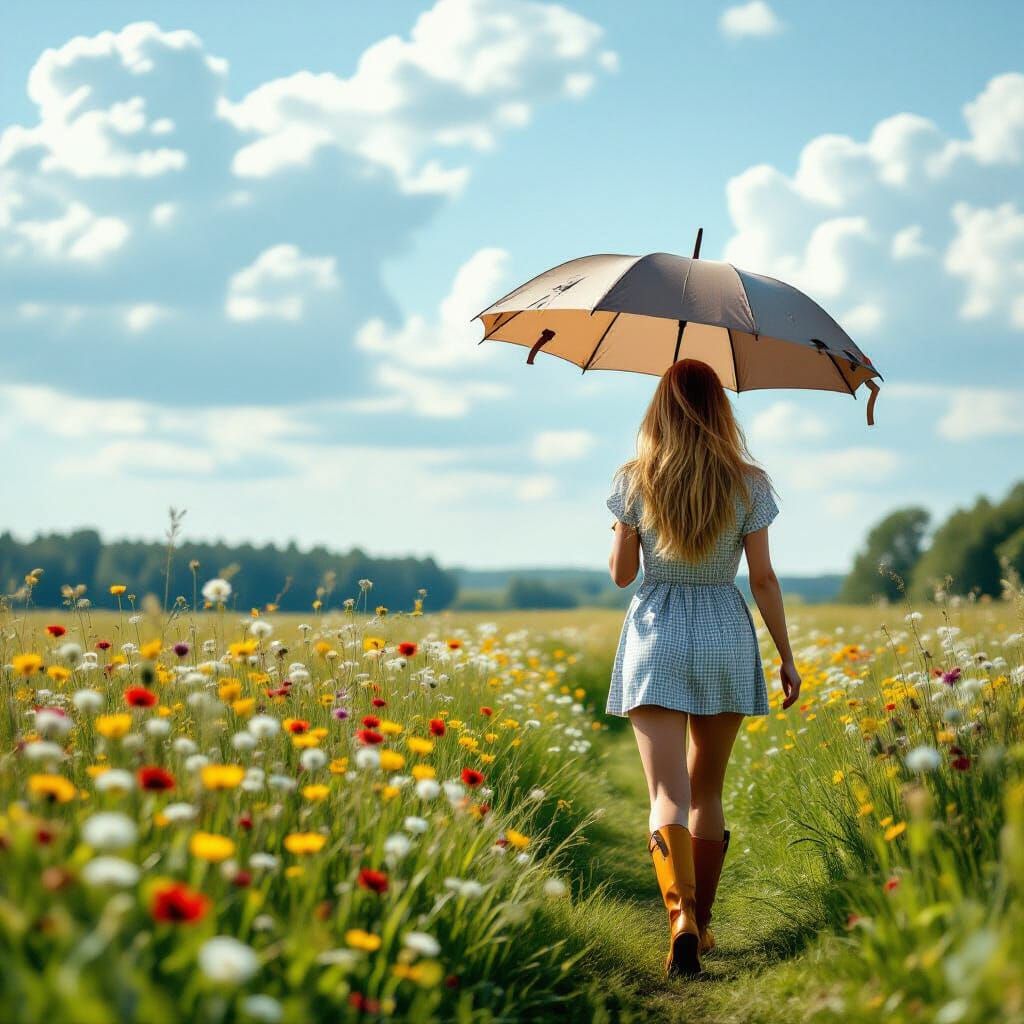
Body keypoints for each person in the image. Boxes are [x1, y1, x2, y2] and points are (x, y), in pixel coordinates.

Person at [605, 358, 801, 978]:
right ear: (722, 409)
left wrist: (623, 524)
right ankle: (705, 923)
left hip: (656, 634)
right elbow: (763, 579)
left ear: (659, 408)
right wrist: (786, 656)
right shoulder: (750, 483)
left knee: (667, 792)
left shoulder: (635, 480)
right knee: (707, 790)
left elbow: (621, 575)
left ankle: (679, 917)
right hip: (723, 628)